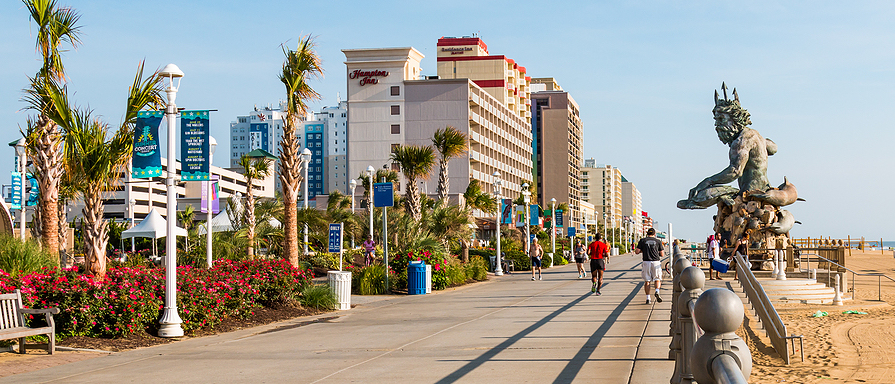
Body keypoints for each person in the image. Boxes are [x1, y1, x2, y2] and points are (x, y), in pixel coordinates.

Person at [678, 86, 777, 210]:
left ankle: (694, 202)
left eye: (721, 119)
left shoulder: (742, 141)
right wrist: (762, 143)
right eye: (716, 120)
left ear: (734, 118)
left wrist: (708, 181)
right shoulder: (755, 136)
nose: (717, 124)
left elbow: (735, 171)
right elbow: (774, 148)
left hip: (750, 193)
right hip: (764, 188)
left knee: (705, 192)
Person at [635, 228, 665, 304]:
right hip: (656, 262)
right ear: (654, 234)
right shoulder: (658, 241)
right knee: (657, 279)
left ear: (647, 233)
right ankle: (657, 291)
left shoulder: (642, 241)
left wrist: (643, 250)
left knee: (647, 281)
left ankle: (648, 298)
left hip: (646, 262)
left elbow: (637, 252)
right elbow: (662, 254)